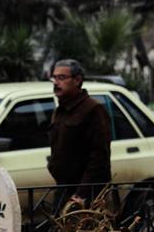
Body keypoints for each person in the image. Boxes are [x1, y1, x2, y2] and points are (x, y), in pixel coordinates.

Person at [47, 59, 112, 207]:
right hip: (63, 190)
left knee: (85, 231)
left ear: (77, 80)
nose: (56, 82)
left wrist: (82, 194)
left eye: (61, 78)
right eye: (54, 78)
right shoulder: (60, 111)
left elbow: (100, 157)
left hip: (85, 196)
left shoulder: (93, 109)